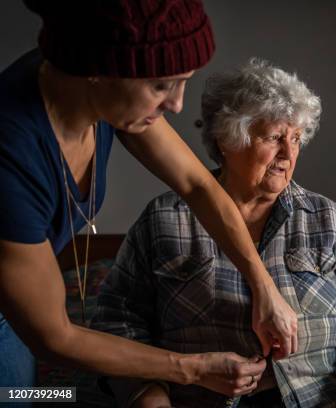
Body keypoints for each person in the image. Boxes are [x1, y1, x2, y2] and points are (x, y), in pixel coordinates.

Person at [0, 0, 297, 396]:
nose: (175, 104)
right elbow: (54, 336)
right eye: (161, 85)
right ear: (98, 71)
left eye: (183, 80)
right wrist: (191, 370)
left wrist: (264, 286)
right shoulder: (10, 155)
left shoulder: (97, 90)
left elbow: (197, 186)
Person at [92, 59, 336, 408]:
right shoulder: (164, 220)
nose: (288, 154)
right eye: (274, 138)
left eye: (297, 139)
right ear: (228, 138)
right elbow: (115, 322)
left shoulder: (329, 222)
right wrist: (150, 398)